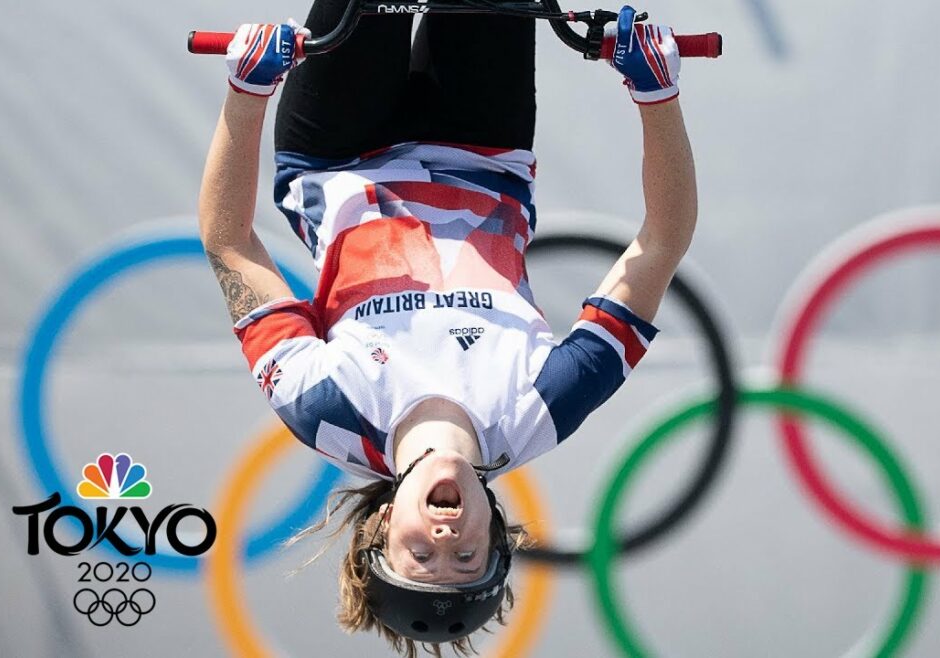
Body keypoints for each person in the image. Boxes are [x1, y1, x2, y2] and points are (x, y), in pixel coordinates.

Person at [198, 1, 697, 655]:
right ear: (495, 532)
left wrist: (246, 93)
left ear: (381, 526)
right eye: (466, 559)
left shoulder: (325, 408)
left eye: (420, 557)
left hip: (335, 152)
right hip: (483, 144)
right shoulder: (542, 407)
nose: (445, 540)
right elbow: (661, 244)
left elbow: (230, 245)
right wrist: (657, 96)